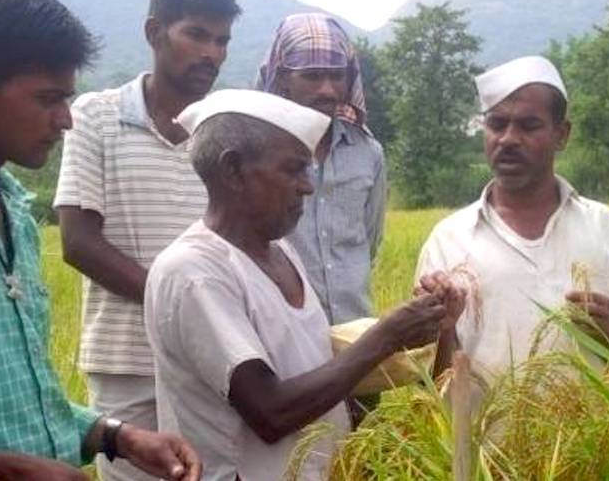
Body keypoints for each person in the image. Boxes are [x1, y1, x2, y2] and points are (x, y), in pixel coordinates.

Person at [0, 0, 201, 481]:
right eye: (49, 99)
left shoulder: (14, 213)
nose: (66, 119)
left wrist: (119, 437)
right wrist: (2, 470)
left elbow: (25, 403)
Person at [145, 89, 462, 481]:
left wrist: (421, 331)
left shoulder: (280, 252)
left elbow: (313, 366)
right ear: (233, 171)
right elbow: (270, 412)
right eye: (293, 169)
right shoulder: (195, 271)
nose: (307, 186)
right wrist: (386, 336)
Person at [53, 0, 239, 481]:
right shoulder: (95, 116)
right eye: (197, 35)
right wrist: (181, 303)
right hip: (127, 363)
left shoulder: (228, 132)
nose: (212, 53)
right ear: (155, 32)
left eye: (222, 40)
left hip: (213, 364)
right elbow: (78, 242)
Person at [416, 56, 609, 384]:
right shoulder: (449, 239)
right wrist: (442, 331)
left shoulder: (604, 228)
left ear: (562, 134)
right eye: (497, 124)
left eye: (529, 126)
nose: (508, 139)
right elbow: (427, 379)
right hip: (481, 435)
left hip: (588, 434)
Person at [253, 13, 387, 327]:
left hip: (356, 336)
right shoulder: (258, 155)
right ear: (284, 78)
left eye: (336, 76)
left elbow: (370, 239)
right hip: (283, 336)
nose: (327, 89)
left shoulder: (368, 153)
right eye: (312, 76)